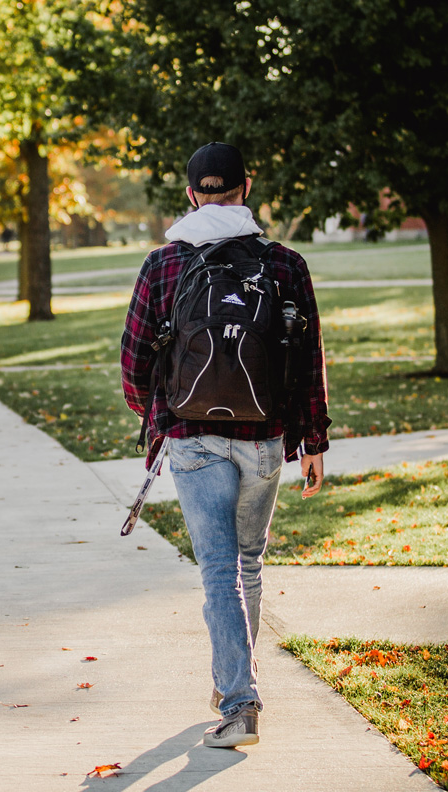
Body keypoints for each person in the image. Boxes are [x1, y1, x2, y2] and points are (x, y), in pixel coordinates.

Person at [120, 142, 330, 749]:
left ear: (191, 195)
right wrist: (312, 438)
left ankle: (240, 699)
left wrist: (157, 417)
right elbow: (308, 357)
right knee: (247, 563)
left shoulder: (164, 264)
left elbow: (135, 362)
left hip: (192, 435)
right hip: (263, 437)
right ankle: (235, 676)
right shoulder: (285, 263)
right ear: (246, 187)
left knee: (218, 569)